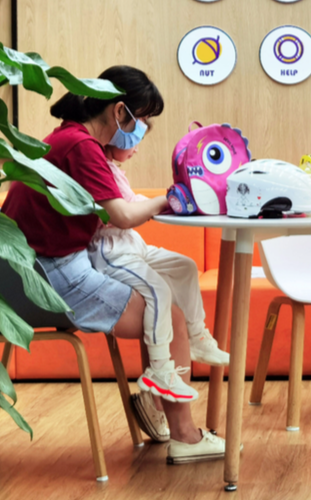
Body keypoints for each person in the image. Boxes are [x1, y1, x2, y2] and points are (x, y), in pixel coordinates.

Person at [0, 66, 227, 464]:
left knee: (164, 302)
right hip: (50, 275)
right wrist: (170, 198)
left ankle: (159, 408)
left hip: (35, 268)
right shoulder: (80, 146)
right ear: (120, 111)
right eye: (143, 121)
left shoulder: (70, 139)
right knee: (171, 316)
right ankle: (185, 436)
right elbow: (121, 216)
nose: (143, 131)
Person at [88, 138, 230, 404]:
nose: (136, 147)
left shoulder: (112, 167)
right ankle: (160, 367)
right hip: (112, 249)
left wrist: (170, 202)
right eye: (134, 138)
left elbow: (131, 201)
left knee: (185, 267)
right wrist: (164, 201)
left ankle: (197, 335)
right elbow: (125, 214)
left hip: (132, 243)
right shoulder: (96, 168)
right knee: (158, 290)